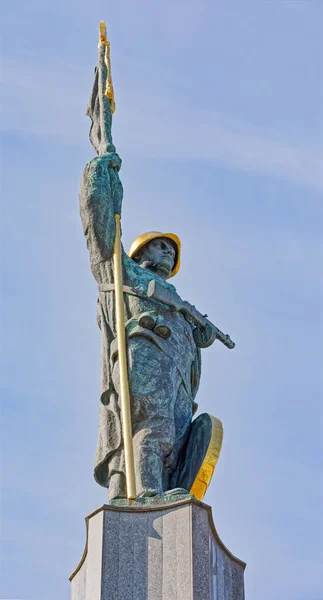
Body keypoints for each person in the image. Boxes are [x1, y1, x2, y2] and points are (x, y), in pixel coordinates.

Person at [80, 152, 207, 500]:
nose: (168, 251)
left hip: (178, 375)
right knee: (153, 426)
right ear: (140, 254)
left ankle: (139, 489)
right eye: (160, 245)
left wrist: (199, 334)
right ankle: (149, 495)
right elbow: (100, 221)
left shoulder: (180, 304)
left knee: (174, 440)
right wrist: (100, 171)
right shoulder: (124, 272)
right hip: (146, 353)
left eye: (172, 250)